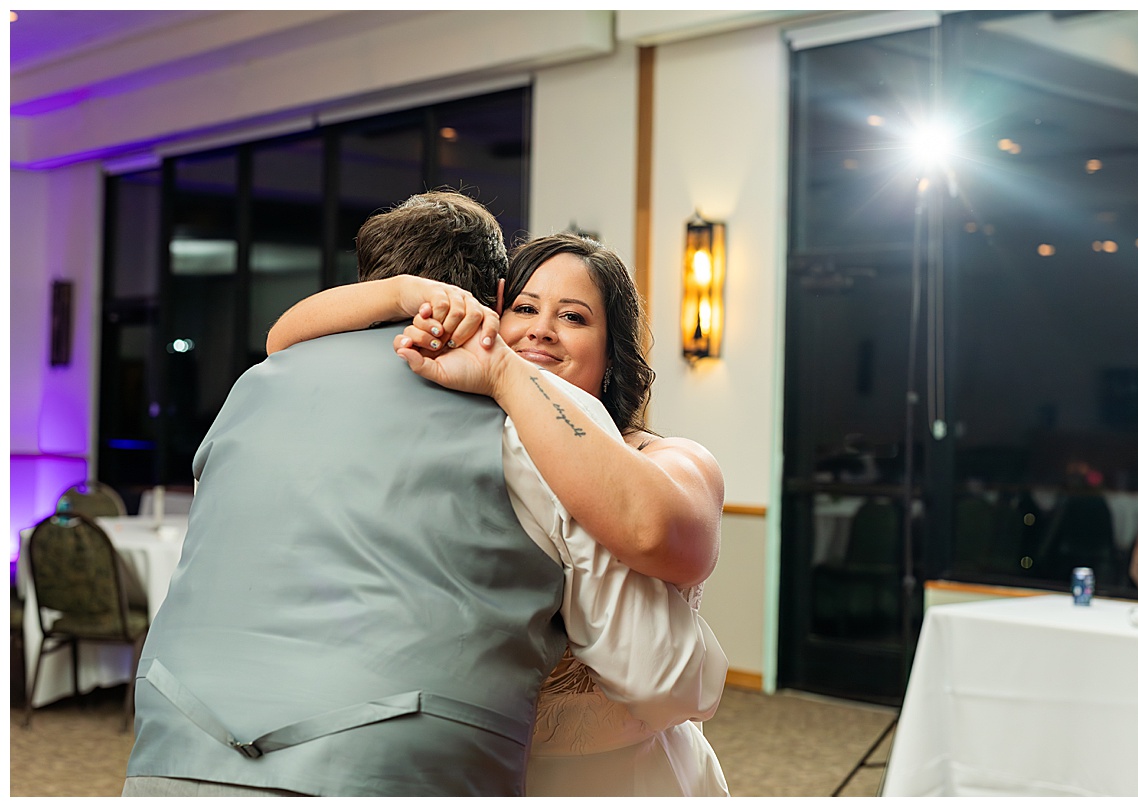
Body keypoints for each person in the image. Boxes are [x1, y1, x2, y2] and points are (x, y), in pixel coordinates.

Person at [123, 192, 725, 797]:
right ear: (489, 310)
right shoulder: (480, 425)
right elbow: (283, 335)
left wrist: (502, 372)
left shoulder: (653, 454)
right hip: (466, 753)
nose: (541, 329)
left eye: (573, 316)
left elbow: (657, 637)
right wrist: (411, 298)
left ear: (612, 349)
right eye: (524, 307)